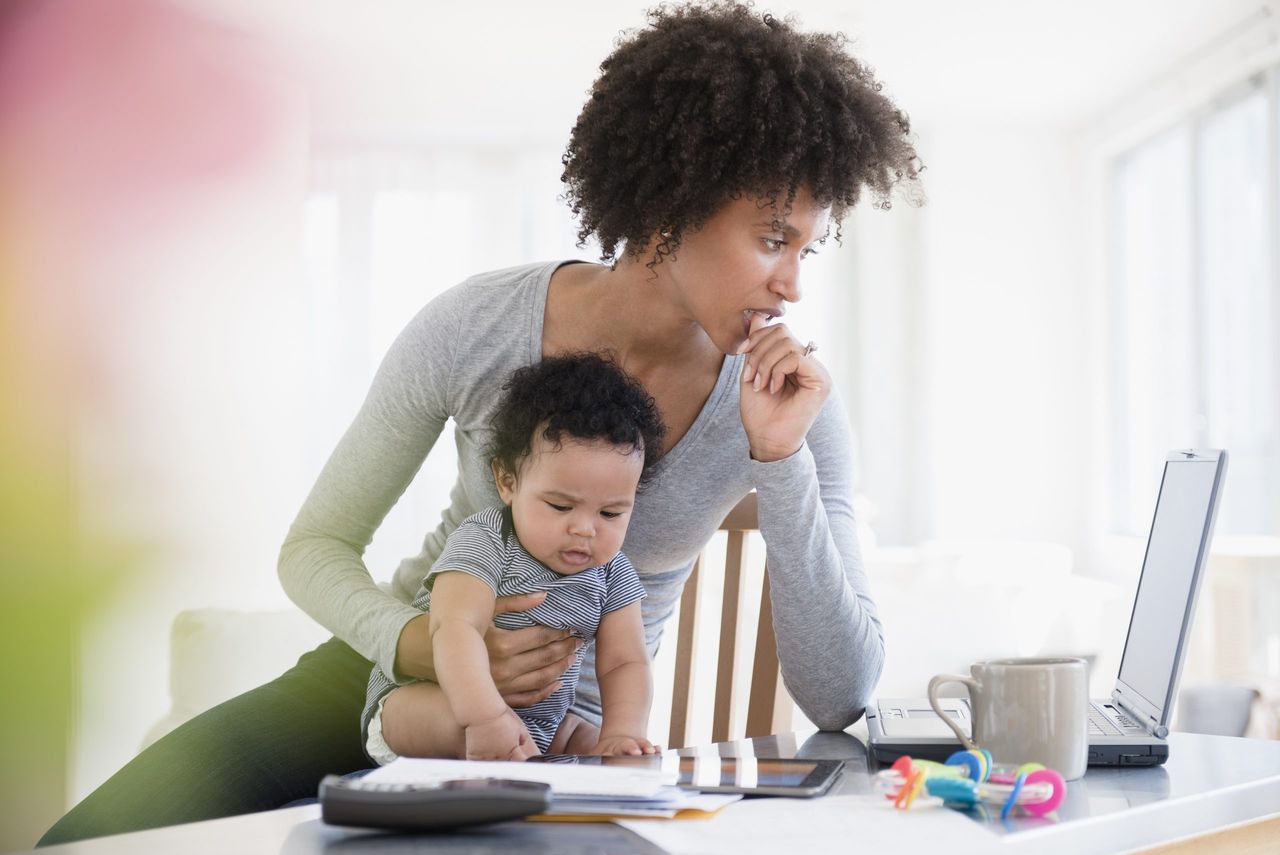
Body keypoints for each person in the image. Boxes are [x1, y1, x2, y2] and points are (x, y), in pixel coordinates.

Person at [39, 0, 920, 843]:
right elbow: (312, 549)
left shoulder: (789, 405)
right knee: (88, 837)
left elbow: (842, 692)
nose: (794, 283)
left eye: (807, 247)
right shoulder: (475, 325)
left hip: (567, 747)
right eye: (773, 239)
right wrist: (426, 647)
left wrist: (780, 457)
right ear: (671, 205)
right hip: (393, 684)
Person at [364, 353, 664, 762]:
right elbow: (454, 630)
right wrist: (486, 717)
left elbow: (625, 662)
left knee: (596, 745)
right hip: (428, 702)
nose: (585, 529)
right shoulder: (487, 540)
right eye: (560, 506)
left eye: (611, 513)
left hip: (540, 723)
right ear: (507, 482)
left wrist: (622, 732)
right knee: (459, 726)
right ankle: (489, 741)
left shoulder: (612, 573)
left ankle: (536, 764)